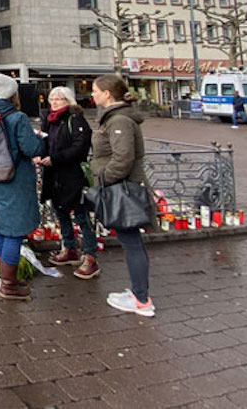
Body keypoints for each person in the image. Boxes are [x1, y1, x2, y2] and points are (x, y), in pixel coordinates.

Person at [90, 75, 155, 317]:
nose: (92, 94)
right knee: (131, 243)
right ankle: (138, 293)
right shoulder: (116, 118)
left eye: (96, 91)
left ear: (108, 94)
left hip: (123, 189)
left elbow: (123, 158)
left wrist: (103, 179)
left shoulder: (119, 121)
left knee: (132, 244)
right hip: (121, 187)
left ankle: (141, 299)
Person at [0, 73, 45, 300]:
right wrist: (40, 140)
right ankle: (9, 284)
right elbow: (31, 148)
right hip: (14, 179)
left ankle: (6, 277)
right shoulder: (16, 118)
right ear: (12, 93)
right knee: (14, 231)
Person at [37, 86, 99, 279]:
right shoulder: (49, 121)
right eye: (52, 99)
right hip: (54, 175)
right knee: (60, 212)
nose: (54, 102)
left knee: (81, 215)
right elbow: (46, 144)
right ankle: (69, 248)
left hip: (72, 175)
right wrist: (40, 154)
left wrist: (56, 158)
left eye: (59, 99)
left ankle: (90, 256)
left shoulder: (75, 119)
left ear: (68, 101)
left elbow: (80, 147)